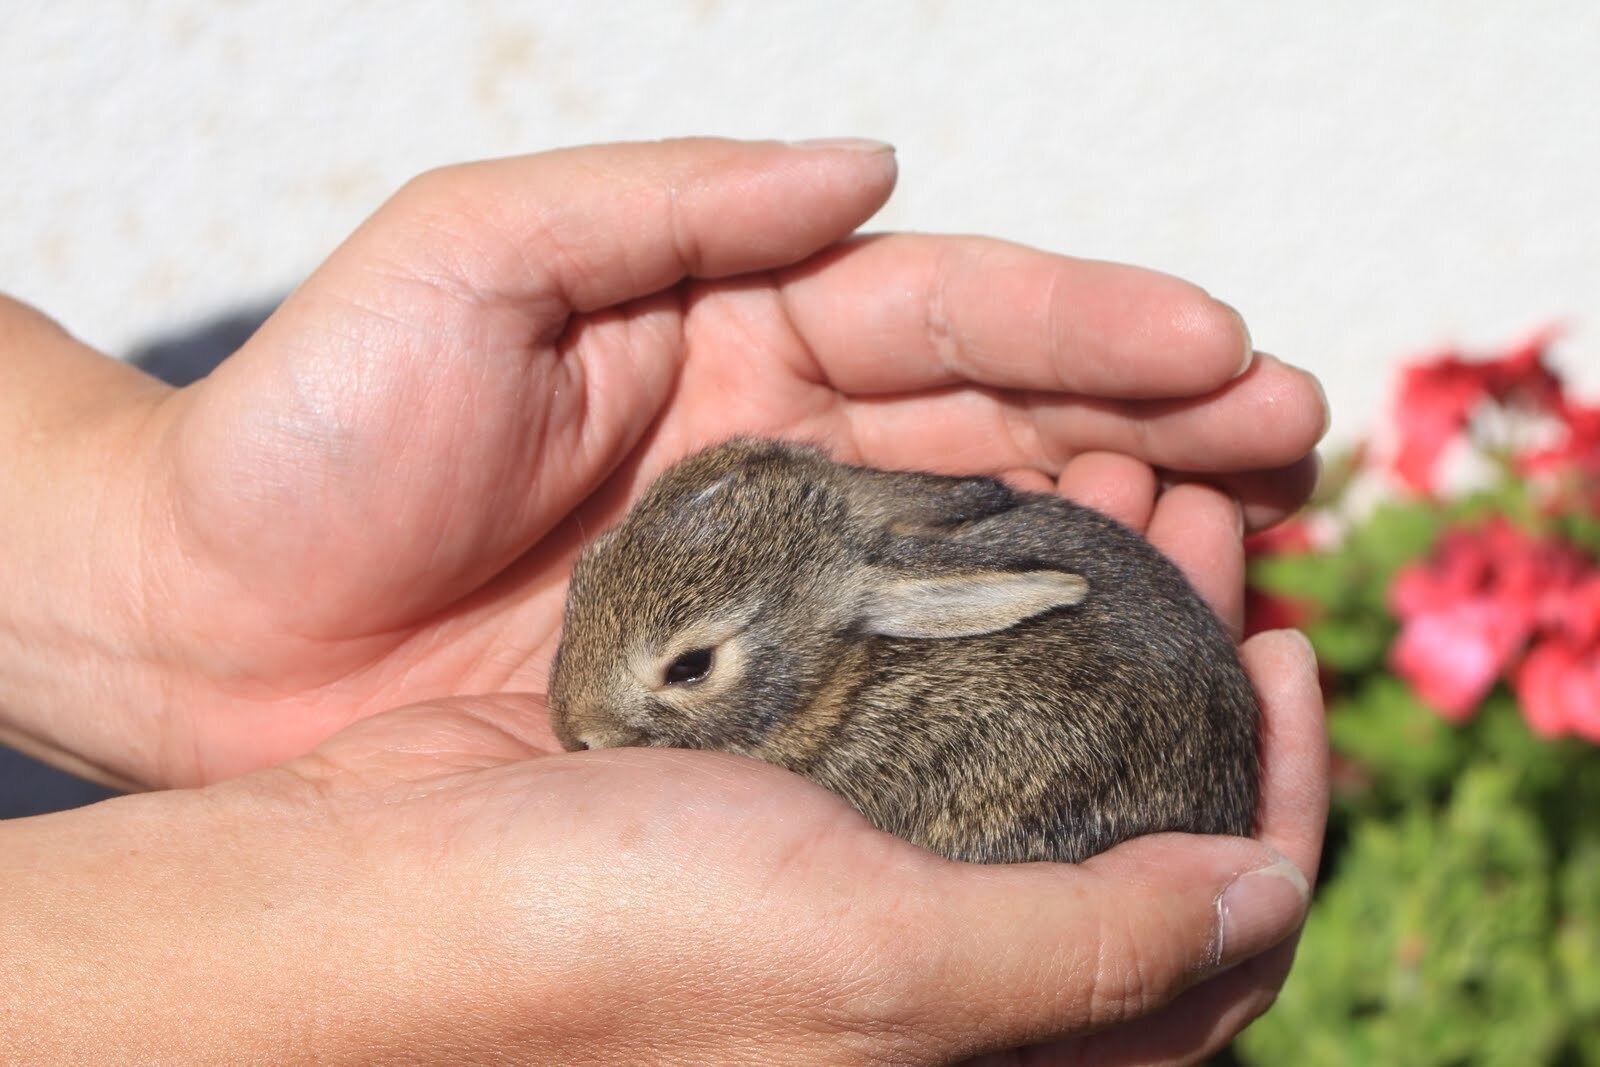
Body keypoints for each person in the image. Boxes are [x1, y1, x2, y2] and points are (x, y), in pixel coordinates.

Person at [0, 137, 1330, 1062]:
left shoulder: (907, 626)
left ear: (890, 618)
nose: (582, 718)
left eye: (688, 669)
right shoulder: (827, 565)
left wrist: (155, 572)